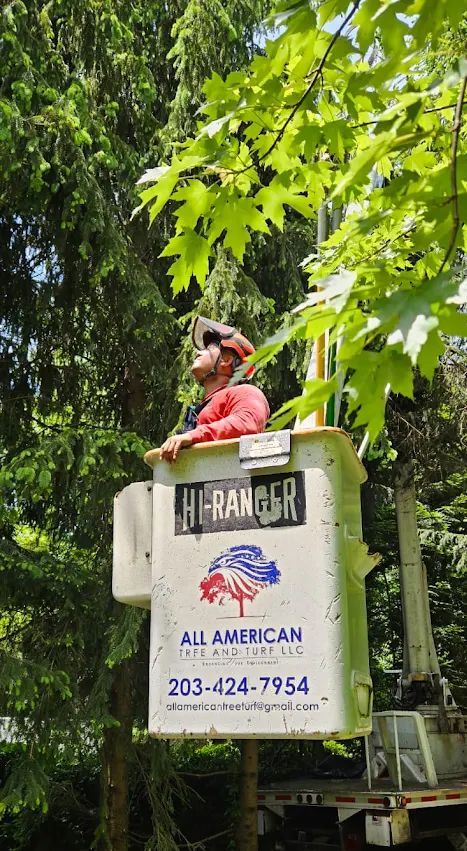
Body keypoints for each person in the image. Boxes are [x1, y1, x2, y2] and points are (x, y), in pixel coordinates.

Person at [159, 316, 270, 462]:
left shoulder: (245, 392)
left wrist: (193, 435)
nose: (198, 353)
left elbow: (246, 424)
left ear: (226, 360)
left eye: (209, 348)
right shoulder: (203, 408)